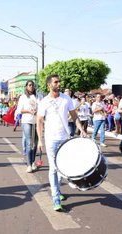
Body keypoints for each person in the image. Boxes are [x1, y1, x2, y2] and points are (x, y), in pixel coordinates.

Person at [37, 74, 87, 212]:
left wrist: (81, 129)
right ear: (49, 85)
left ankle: (57, 190)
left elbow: (74, 116)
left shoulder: (67, 99)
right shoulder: (44, 101)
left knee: (63, 167)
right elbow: (39, 121)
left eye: (59, 82)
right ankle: (56, 198)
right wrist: (40, 140)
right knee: (53, 168)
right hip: (51, 139)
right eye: (56, 82)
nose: (59, 84)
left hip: (64, 138)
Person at [17, 80, 38, 173]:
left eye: (32, 85)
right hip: (27, 121)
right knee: (29, 142)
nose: (31, 86)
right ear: (26, 86)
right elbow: (19, 110)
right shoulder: (23, 97)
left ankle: (33, 162)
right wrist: (29, 111)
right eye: (29, 85)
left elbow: (41, 106)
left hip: (36, 121)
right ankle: (29, 164)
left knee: (35, 143)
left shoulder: (38, 96)